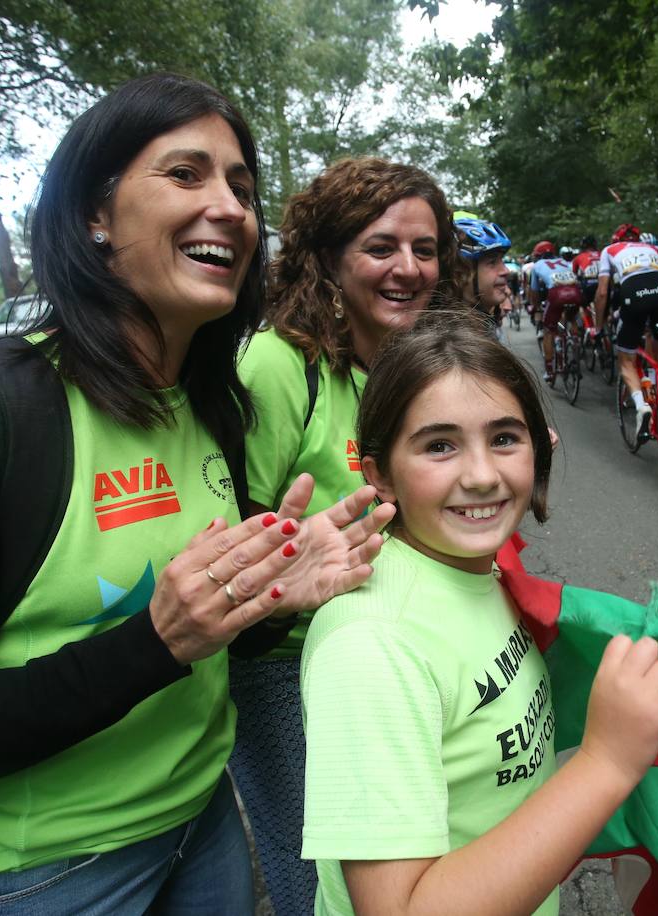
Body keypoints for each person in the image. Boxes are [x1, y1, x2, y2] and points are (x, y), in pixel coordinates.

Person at [0, 73, 394, 914]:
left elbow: (202, 646)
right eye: (186, 175)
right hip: (22, 876)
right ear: (94, 215)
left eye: (243, 187)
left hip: (204, 832)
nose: (229, 206)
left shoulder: (216, 404)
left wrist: (267, 606)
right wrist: (153, 643)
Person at [300, 311, 658, 915]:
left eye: (505, 438)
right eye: (439, 446)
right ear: (380, 475)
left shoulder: (473, 567)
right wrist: (606, 763)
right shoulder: (369, 645)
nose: (482, 476)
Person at [232, 156, 455, 915]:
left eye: (425, 250)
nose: (409, 269)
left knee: (413, 860)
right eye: (382, 247)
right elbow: (233, 531)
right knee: (323, 882)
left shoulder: (408, 364)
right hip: (288, 669)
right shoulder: (279, 364)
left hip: (400, 649)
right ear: (329, 259)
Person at [595, 223, 658, 434]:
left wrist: (598, 326)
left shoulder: (609, 250)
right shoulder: (653, 249)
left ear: (616, 239)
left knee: (625, 359)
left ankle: (642, 407)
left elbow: (603, 292)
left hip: (634, 295)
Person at [528, 240, 583, 383]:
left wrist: (536, 307)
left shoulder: (537, 266)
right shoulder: (566, 261)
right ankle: (575, 342)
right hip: (575, 292)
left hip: (557, 293)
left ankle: (549, 370)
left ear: (538, 255)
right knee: (571, 318)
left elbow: (533, 291)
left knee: (548, 330)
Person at [454, 212, 514, 337]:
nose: (506, 270)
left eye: (501, 260)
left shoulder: (477, 326)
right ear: (459, 274)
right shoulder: (455, 347)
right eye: (492, 262)